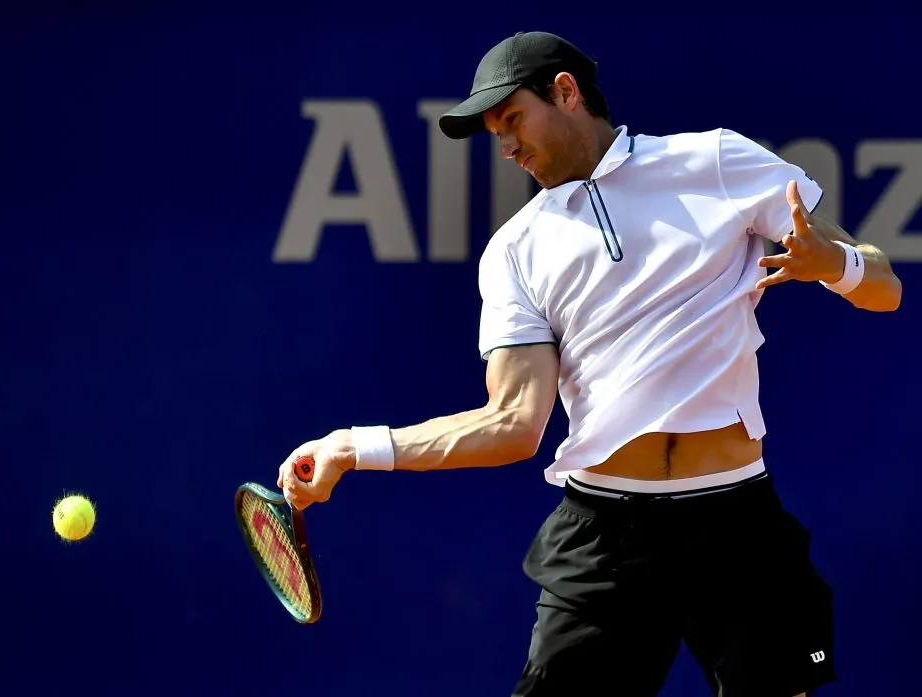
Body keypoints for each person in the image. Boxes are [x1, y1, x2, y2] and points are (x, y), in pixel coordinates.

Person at [277, 30, 902, 697]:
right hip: (607, 537)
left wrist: (835, 263)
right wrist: (357, 445)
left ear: (566, 92)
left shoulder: (716, 160)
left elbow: (884, 287)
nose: (507, 145)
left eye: (512, 119)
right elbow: (514, 424)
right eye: (494, 133)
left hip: (736, 521)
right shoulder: (515, 252)